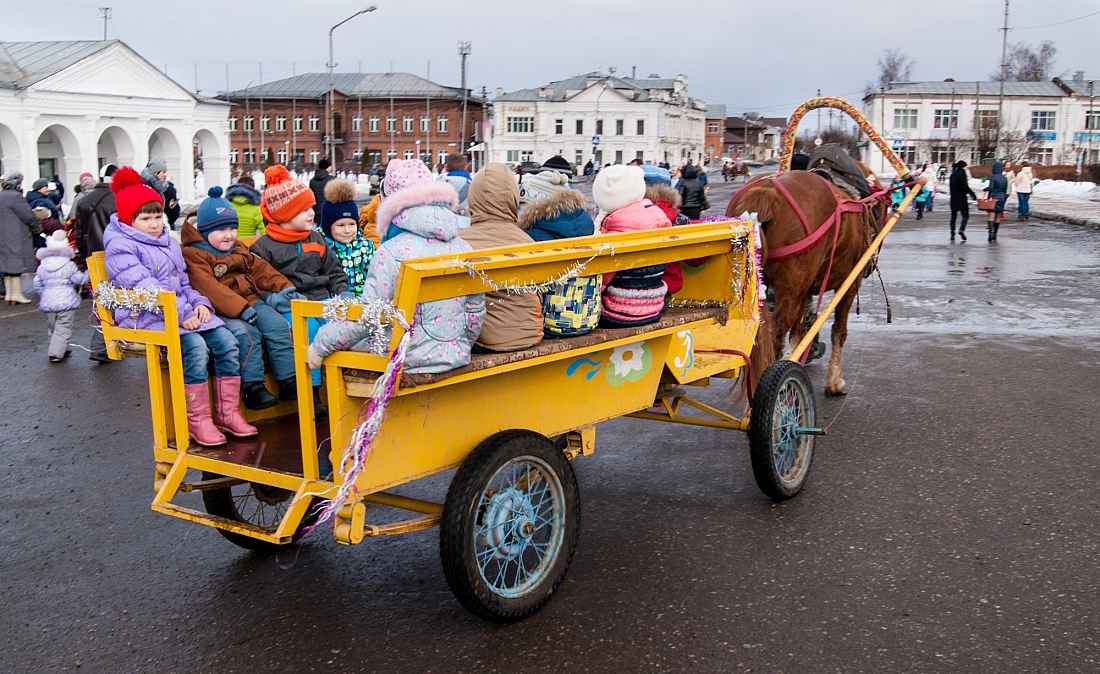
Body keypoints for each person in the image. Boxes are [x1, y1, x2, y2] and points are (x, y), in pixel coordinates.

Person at [103, 167, 254, 446]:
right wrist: (182, 313)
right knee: (195, 348)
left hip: (179, 311)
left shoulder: (167, 243)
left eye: (157, 216)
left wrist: (199, 303)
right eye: (145, 218)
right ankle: (197, 420)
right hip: (145, 314)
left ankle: (227, 413)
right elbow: (144, 286)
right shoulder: (121, 246)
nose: (154, 223)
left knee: (227, 341)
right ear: (128, 220)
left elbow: (184, 282)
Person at [307, 159, 485, 374]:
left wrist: (322, 342)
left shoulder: (391, 252)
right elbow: (474, 311)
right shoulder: (463, 247)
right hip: (455, 353)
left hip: (405, 356)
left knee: (336, 346)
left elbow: (370, 316)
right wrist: (459, 344)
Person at [182, 187, 300, 410]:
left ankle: (288, 380)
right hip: (221, 310)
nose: (229, 234)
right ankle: (253, 388)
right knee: (247, 334)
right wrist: (241, 308)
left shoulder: (238, 249)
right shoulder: (195, 254)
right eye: (221, 230)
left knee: (278, 325)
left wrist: (285, 288)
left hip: (252, 302)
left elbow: (261, 270)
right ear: (205, 232)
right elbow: (209, 287)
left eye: (232, 228)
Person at [251, 165, 350, 415]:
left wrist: (343, 293)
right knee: (310, 330)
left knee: (347, 326)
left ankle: (348, 386)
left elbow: (335, 272)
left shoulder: (315, 239)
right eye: (304, 209)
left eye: (311, 207)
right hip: (289, 305)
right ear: (284, 214)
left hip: (321, 301)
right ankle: (312, 394)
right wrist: (275, 299)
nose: (311, 213)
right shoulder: (263, 248)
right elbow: (257, 284)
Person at [462, 163, 541, 353]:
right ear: (514, 198)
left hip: (485, 340)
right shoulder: (528, 240)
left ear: (474, 199)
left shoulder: (461, 243)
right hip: (531, 332)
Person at [515, 170, 598, 337]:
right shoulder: (587, 226)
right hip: (588, 318)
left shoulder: (533, 237)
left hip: (550, 322)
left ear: (535, 207)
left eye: (524, 205)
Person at [593, 165, 672, 328]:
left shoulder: (616, 225)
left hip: (621, 311)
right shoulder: (656, 213)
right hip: (655, 303)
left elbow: (602, 276)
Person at [73, 165, 118, 361]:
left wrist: (83, 258)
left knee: (101, 300)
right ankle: (103, 346)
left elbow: (79, 232)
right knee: (114, 301)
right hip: (113, 255)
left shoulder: (83, 200)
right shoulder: (117, 200)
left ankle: (103, 346)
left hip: (92, 256)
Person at [34, 231, 89, 362]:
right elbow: (79, 280)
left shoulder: (43, 266)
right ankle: (56, 353)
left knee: (53, 327)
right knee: (64, 327)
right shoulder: (69, 265)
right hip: (66, 300)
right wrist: (88, 273)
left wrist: (44, 295)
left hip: (48, 301)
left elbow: (37, 283)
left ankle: (59, 348)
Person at [319, 179, 375, 296]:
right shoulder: (321, 246)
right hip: (333, 301)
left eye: (352, 224)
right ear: (328, 227)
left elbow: (374, 275)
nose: (347, 230)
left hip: (363, 300)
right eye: (340, 225)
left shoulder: (366, 246)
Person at [0, 172, 39, 304]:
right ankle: (16, 293)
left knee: (7, 264)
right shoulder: (15, 196)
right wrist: (36, 226)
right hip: (15, 234)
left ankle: (9, 294)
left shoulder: (1, 195)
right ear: (17, 182)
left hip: (3, 235)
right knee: (15, 264)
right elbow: (27, 215)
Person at [949, 161, 977, 241]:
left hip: (953, 198)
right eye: (965, 166)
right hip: (961, 198)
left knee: (953, 216)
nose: (966, 168)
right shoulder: (962, 174)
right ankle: (961, 229)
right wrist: (972, 194)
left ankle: (952, 233)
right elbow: (965, 186)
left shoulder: (953, 175)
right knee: (965, 215)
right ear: (962, 167)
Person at [984, 161, 1009, 241]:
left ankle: (990, 234)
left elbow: (991, 188)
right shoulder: (1005, 178)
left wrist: (986, 189)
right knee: (998, 216)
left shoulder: (993, 177)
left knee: (991, 216)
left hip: (993, 198)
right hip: (1001, 198)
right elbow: (1005, 190)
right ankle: (995, 234)